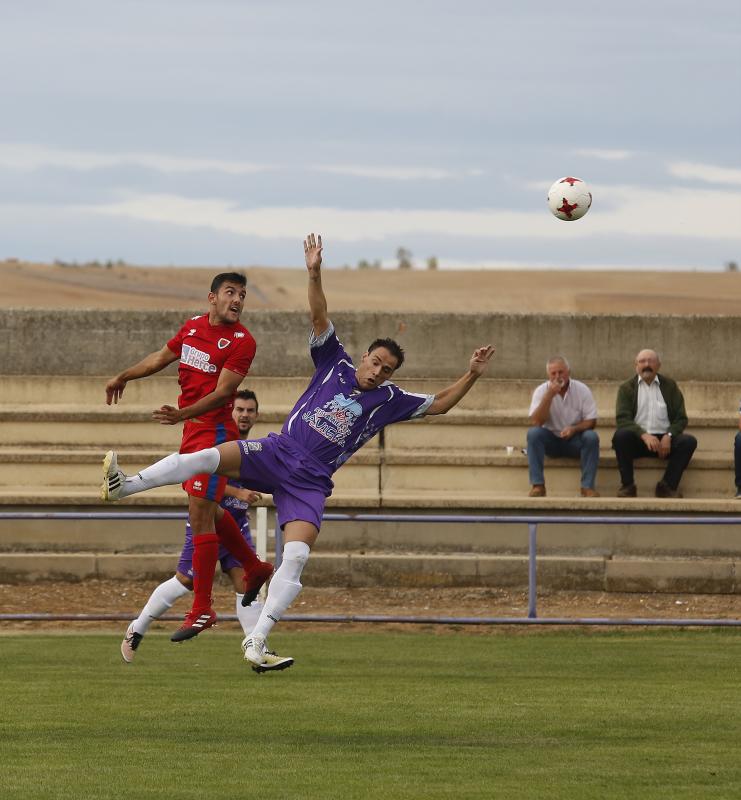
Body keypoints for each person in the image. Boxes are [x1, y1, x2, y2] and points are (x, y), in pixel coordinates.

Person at [101, 233, 495, 669]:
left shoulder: (388, 400)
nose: (377, 371)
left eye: (386, 369)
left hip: (310, 481)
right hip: (278, 451)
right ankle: (126, 486)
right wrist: (313, 271)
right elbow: (318, 313)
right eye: (376, 362)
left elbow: (438, 404)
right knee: (208, 457)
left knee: (297, 557)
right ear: (364, 357)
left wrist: (471, 374)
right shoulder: (335, 363)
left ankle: (257, 642)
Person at [104, 272, 273, 642]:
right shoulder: (194, 327)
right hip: (192, 430)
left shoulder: (243, 341)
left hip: (214, 431)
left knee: (200, 516)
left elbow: (224, 392)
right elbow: (161, 357)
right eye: (231, 293)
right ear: (212, 297)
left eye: (242, 295)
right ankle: (253, 565)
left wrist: (182, 413)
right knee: (210, 512)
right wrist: (125, 376)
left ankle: (202, 607)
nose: (238, 300)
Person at [120, 390, 294, 672]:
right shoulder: (217, 440)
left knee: (244, 582)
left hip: (235, 521)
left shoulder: (246, 446)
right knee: (185, 581)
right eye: (240, 410)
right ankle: (137, 628)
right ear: (231, 412)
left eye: (250, 411)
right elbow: (199, 477)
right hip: (207, 520)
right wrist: (238, 491)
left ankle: (257, 650)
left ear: (256, 415)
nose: (245, 415)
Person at [612, 348, 697, 498]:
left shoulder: (670, 386)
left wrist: (668, 435)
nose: (647, 365)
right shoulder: (626, 388)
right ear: (636, 365)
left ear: (659, 365)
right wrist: (644, 435)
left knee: (688, 442)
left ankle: (667, 486)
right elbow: (622, 419)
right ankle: (628, 486)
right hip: (638, 441)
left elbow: (681, 418)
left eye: (651, 361)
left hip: (665, 444)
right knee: (620, 436)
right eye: (642, 361)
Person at [526, 356, 600, 497]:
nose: (558, 376)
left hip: (575, 440)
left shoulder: (582, 390)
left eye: (561, 372)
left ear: (568, 372)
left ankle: (587, 486)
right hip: (551, 440)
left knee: (591, 437)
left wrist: (574, 429)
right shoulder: (541, 391)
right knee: (533, 434)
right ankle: (538, 485)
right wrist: (549, 396)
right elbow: (537, 422)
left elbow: (591, 421)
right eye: (553, 373)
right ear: (548, 375)